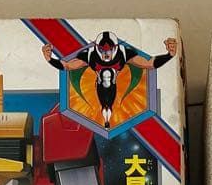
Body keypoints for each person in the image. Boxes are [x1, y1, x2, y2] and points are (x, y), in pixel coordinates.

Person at [43, 33, 178, 128]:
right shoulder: (90, 55)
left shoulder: (124, 53)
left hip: (113, 85)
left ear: (115, 48)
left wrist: (169, 55)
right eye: (102, 50)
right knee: (105, 106)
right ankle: (106, 117)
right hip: (100, 86)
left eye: (109, 50)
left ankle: (107, 116)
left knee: (109, 106)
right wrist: (49, 59)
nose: (106, 53)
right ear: (97, 48)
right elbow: (67, 66)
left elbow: (149, 64)